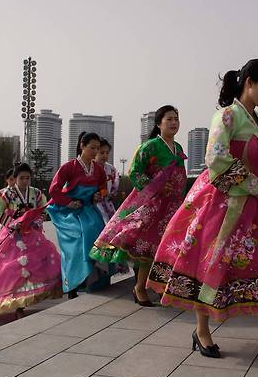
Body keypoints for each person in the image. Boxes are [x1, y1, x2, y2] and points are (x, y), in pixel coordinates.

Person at [147, 59, 258, 366]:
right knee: (211, 265)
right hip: (223, 204)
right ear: (249, 82)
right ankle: (201, 330)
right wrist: (254, 182)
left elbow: (254, 158)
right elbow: (216, 157)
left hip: (257, 206)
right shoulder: (226, 115)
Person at [90, 105, 187, 307]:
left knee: (168, 246)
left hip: (173, 205)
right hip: (152, 204)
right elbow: (135, 172)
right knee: (147, 247)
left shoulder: (178, 148)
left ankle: (160, 286)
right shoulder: (150, 146)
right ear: (159, 123)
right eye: (169, 119)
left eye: (176, 119)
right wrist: (155, 187)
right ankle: (140, 287)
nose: (174, 122)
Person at [0, 163, 62, 318]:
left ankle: (28, 298)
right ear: (15, 178)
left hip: (31, 232)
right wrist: (13, 223)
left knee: (38, 262)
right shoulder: (5, 194)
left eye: (28, 178)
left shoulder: (37, 193)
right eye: (21, 178)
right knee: (10, 266)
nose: (25, 181)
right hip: (13, 234)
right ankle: (17, 303)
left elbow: (43, 210)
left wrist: (36, 221)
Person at [47, 132, 109, 299]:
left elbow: (103, 186)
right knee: (76, 241)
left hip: (88, 209)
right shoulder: (69, 167)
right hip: (69, 211)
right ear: (82, 146)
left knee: (100, 234)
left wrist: (99, 195)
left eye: (97, 148)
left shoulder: (98, 169)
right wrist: (68, 202)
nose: (95, 151)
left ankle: (94, 280)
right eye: (92, 147)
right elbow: (54, 189)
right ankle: (72, 285)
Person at [94, 138, 120, 225]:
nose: (105, 155)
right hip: (94, 202)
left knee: (113, 223)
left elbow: (116, 181)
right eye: (102, 153)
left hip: (107, 200)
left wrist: (112, 193)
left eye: (107, 153)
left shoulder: (111, 168)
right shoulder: (91, 167)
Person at [0, 168, 16, 239]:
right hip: (4, 222)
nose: (14, 182)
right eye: (11, 179)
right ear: (6, 180)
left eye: (15, 179)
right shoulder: (2, 193)